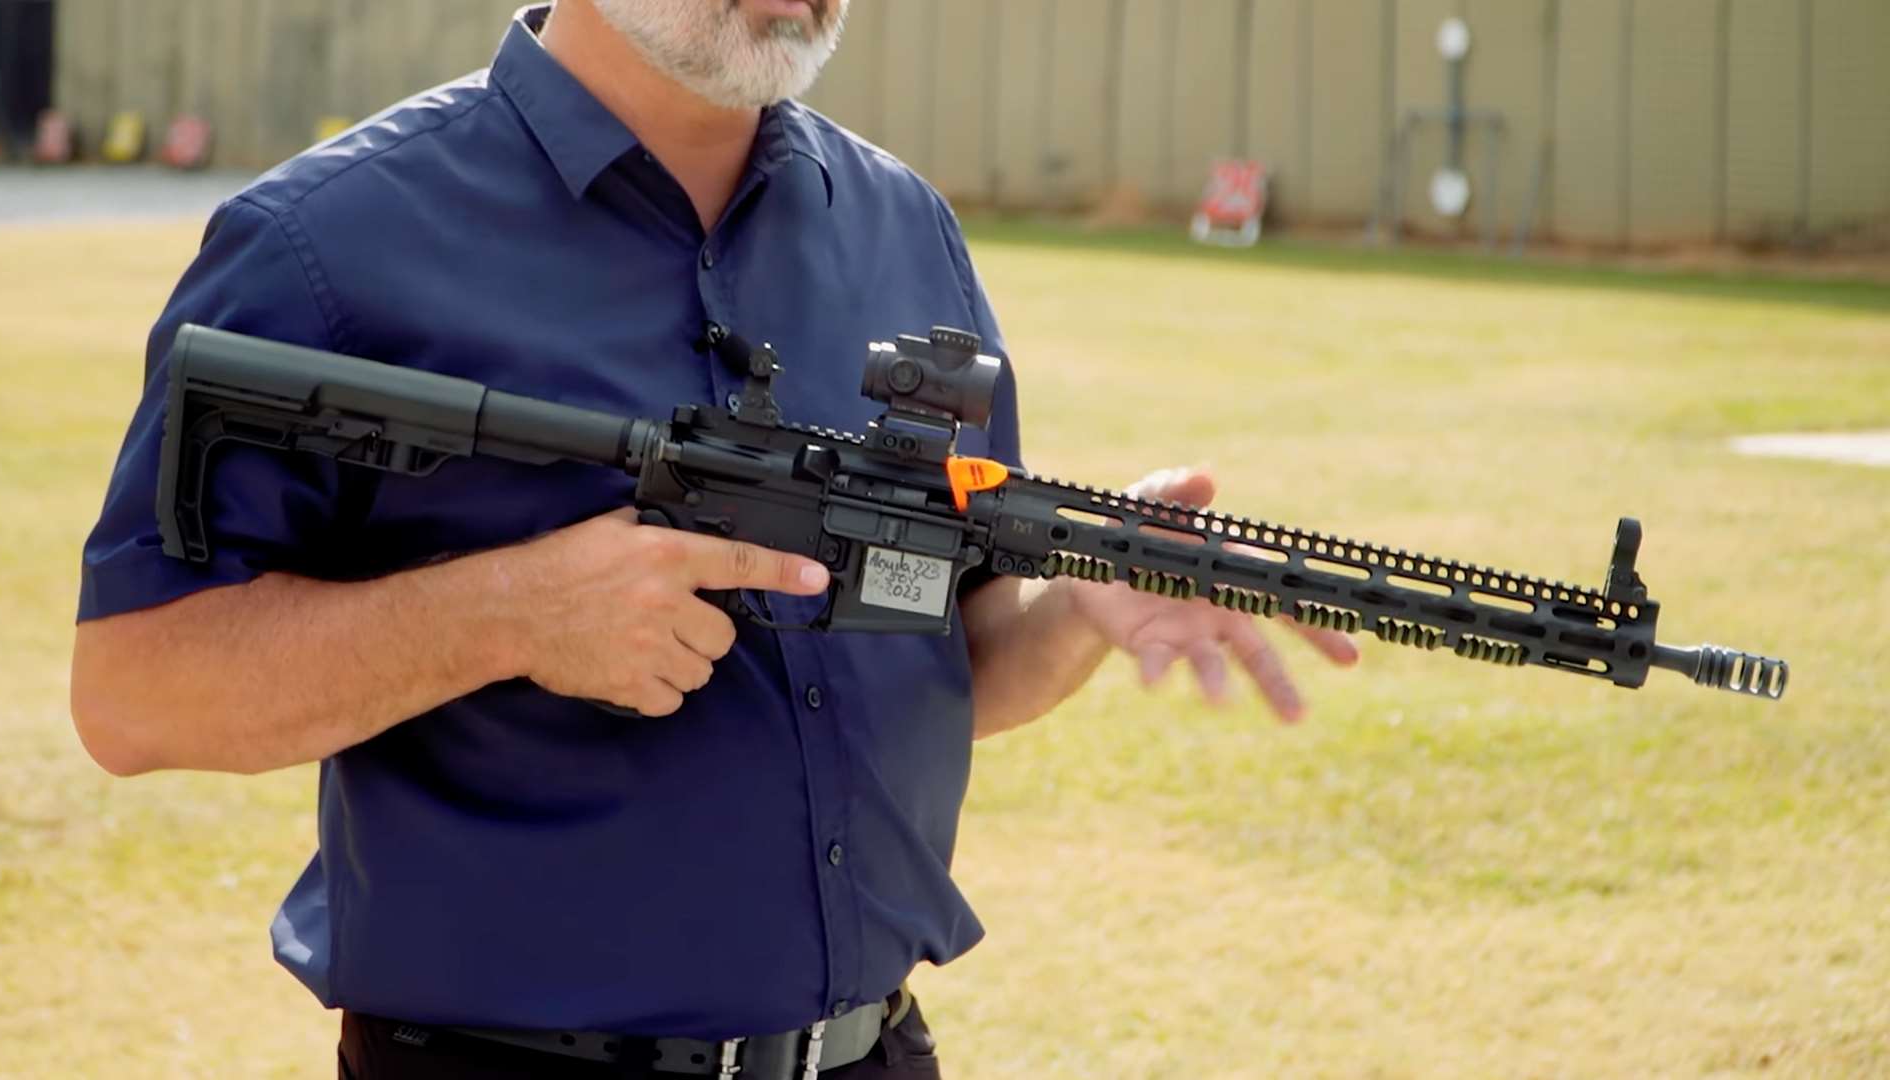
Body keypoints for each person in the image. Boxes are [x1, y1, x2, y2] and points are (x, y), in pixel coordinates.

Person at [69, 2, 1359, 1076]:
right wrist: (510, 612)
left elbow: (928, 669)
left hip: (871, 1053)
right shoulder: (328, 244)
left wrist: (1080, 608)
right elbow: (135, 697)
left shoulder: (903, 228)